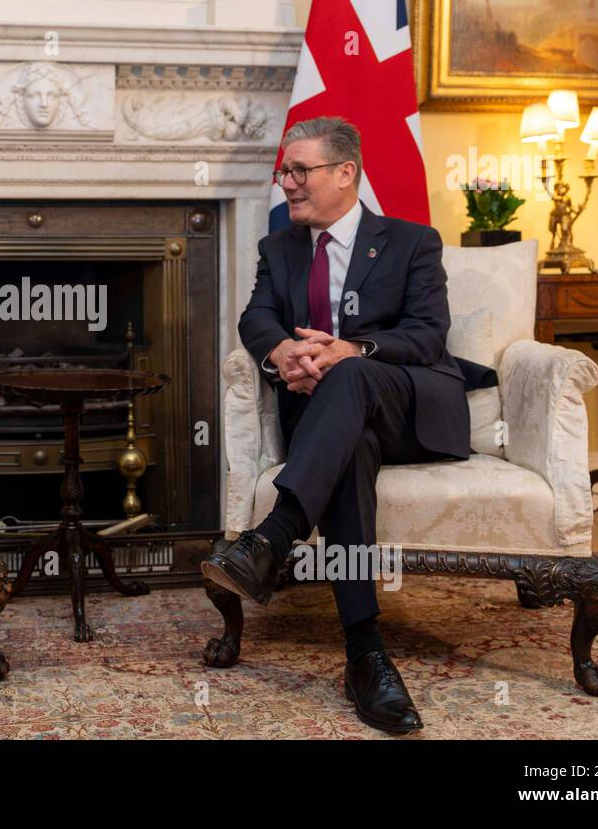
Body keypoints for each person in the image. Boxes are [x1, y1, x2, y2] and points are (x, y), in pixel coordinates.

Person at [202, 116, 477, 734]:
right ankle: (365, 653)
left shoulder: (411, 241)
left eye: (300, 171)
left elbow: (427, 334)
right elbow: (258, 318)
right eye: (285, 172)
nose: (288, 184)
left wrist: (350, 351)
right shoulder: (279, 248)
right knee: (347, 444)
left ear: (345, 172)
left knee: (348, 373)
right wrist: (282, 355)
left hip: (409, 406)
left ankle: (274, 534)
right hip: (333, 424)